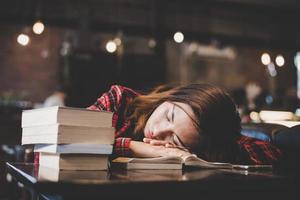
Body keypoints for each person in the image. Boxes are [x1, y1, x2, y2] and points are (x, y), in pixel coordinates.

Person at [88, 84, 282, 165]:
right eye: (169, 116)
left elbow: (270, 152)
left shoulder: (201, 145)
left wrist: (197, 157)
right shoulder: (121, 101)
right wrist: (133, 147)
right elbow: (65, 141)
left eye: (174, 138)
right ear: (173, 96)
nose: (157, 131)